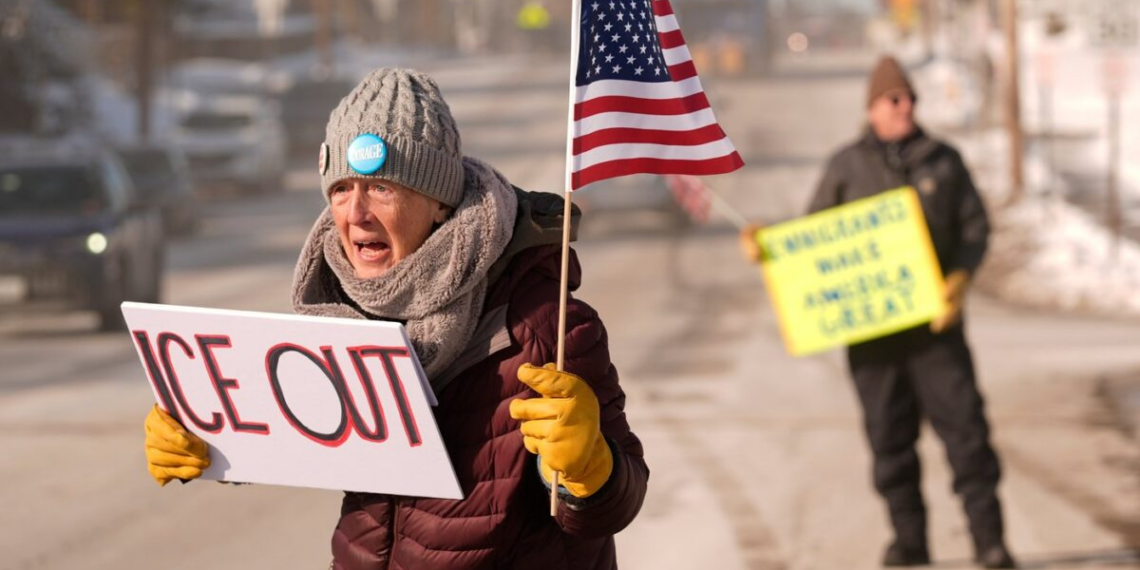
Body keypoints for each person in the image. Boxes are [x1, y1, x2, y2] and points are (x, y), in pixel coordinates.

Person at [142, 68, 648, 570]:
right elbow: (303, 431)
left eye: (381, 187)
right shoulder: (343, 312)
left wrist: (593, 470)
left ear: (438, 203)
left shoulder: (544, 327)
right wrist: (207, 434)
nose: (355, 213)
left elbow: (615, 504)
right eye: (341, 188)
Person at [741, 56, 1014, 569]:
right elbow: (814, 242)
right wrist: (769, 248)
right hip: (872, 338)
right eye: (895, 98)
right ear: (873, 107)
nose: (906, 105)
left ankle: (990, 543)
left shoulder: (944, 161)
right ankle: (909, 543)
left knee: (967, 436)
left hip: (937, 332)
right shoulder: (846, 166)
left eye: (910, 96)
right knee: (890, 441)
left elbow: (975, 230)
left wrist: (959, 278)